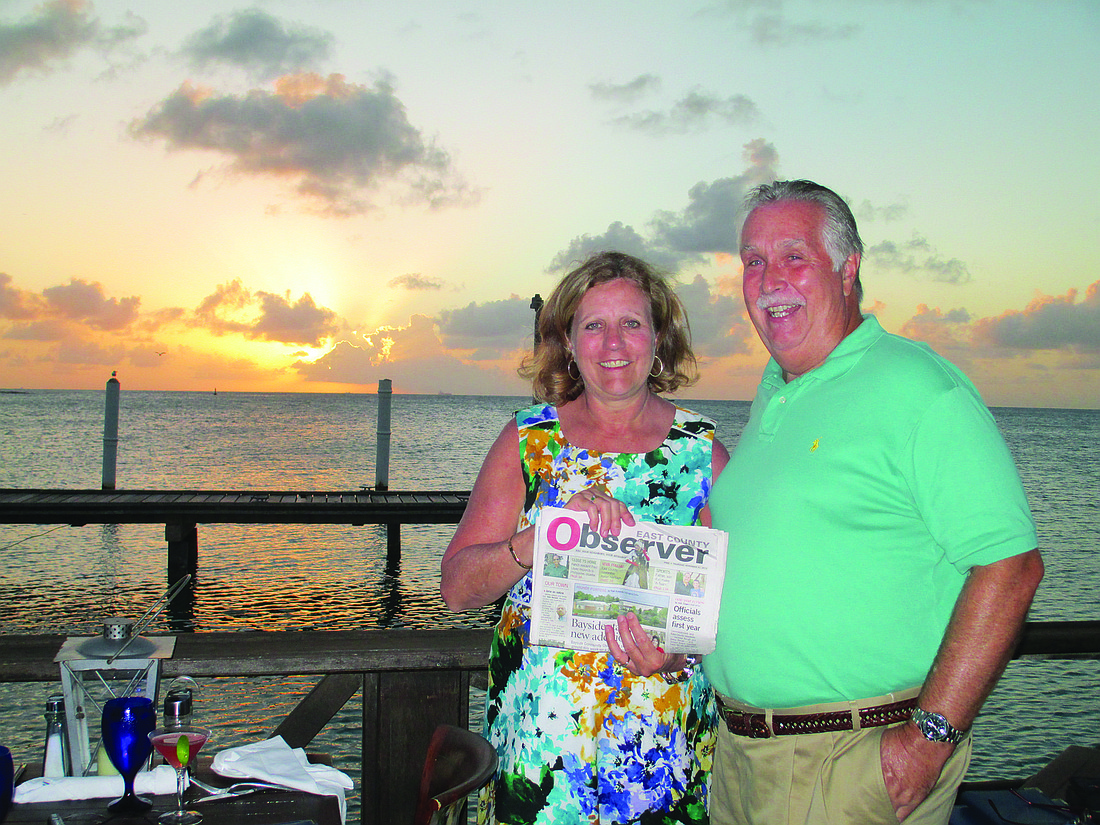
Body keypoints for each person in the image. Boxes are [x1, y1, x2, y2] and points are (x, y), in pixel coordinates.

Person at [703, 180, 1043, 825]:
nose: (769, 279)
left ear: (847, 268)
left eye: (793, 257)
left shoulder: (919, 388)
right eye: (753, 261)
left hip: (849, 762)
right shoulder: (776, 389)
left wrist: (928, 741)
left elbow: (1012, 567)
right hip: (742, 758)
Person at [442, 251, 730, 825]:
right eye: (593, 325)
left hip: (662, 746)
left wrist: (678, 654)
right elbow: (457, 588)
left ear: (659, 337)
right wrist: (540, 538)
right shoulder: (528, 443)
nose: (613, 343)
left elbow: (734, 608)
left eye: (631, 323)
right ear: (568, 342)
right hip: (543, 749)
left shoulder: (704, 454)